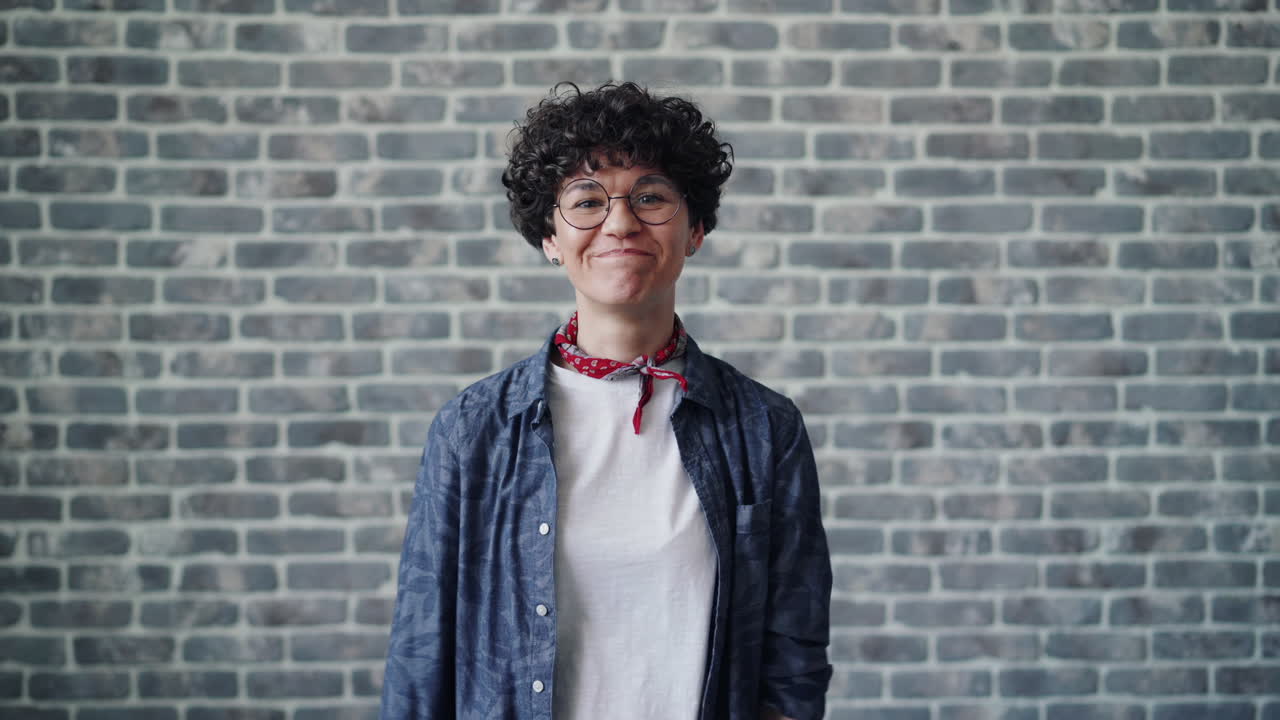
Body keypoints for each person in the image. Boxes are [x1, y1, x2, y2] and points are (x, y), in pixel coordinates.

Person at [379, 81, 832, 720]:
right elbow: (421, 657)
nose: (620, 222)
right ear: (549, 239)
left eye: (650, 197)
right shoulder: (473, 429)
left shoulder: (765, 428)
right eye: (587, 201)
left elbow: (793, 663)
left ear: (696, 229)